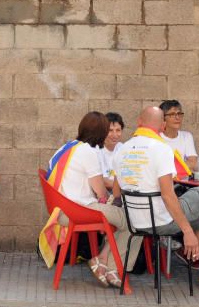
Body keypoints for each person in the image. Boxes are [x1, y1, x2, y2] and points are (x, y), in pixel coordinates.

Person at [115, 107, 199, 290]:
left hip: (134, 221)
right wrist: (188, 232)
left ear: (138, 122)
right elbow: (168, 195)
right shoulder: (162, 149)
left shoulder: (121, 150)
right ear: (162, 125)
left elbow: (116, 191)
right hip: (161, 221)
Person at [38, 112, 140, 288]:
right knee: (136, 221)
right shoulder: (88, 151)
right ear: (101, 132)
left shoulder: (67, 147)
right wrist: (115, 200)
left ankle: (101, 260)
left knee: (121, 218)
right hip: (79, 211)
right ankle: (113, 268)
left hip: (61, 210)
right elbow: (101, 192)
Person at [159, 100, 198, 171]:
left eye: (179, 114)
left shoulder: (186, 136)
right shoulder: (156, 138)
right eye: (172, 114)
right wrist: (182, 165)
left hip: (182, 181)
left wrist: (167, 166)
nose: (177, 118)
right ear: (163, 118)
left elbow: (193, 164)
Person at [97, 112, 125, 192]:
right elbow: (102, 181)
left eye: (118, 130)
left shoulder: (123, 148)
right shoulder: (97, 150)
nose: (115, 134)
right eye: (110, 130)